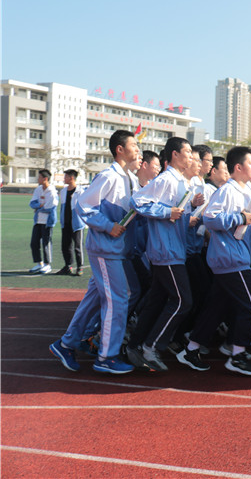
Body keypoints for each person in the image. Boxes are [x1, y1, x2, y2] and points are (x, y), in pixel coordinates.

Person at [49, 130, 140, 374]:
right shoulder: (109, 176)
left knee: (96, 299)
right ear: (119, 149)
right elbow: (84, 205)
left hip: (116, 249)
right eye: (133, 144)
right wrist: (109, 226)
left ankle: (66, 344)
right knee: (118, 300)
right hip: (105, 249)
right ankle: (106, 357)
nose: (137, 149)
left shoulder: (129, 178)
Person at [176, 146, 251, 375]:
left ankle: (191, 350)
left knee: (216, 308)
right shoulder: (227, 191)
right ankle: (238, 355)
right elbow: (210, 218)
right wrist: (240, 217)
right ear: (238, 167)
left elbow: (244, 225)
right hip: (230, 258)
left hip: (235, 256)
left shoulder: (245, 191)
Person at [126, 137, 195, 372]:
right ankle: (151, 346)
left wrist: (189, 211)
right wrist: (167, 212)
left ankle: (135, 344)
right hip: (166, 252)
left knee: (156, 301)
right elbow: (137, 201)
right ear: (174, 154)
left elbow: (176, 213)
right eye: (187, 152)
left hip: (173, 249)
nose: (191, 156)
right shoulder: (166, 179)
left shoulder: (180, 181)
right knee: (183, 301)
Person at [56, 169, 86, 276]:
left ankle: (80, 267)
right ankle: (68, 266)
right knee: (65, 246)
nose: (64, 178)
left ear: (71, 178)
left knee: (78, 246)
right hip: (66, 223)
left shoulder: (80, 191)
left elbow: (84, 207)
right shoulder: (63, 191)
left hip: (77, 224)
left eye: (66, 177)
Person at [29, 169, 59, 274]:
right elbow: (32, 203)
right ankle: (39, 263)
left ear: (45, 179)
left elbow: (50, 207)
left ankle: (47, 265)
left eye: (40, 177)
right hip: (38, 221)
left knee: (46, 243)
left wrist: (38, 208)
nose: (38, 179)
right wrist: (39, 206)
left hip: (47, 222)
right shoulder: (38, 189)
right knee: (34, 243)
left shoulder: (52, 191)